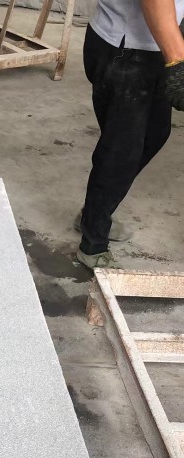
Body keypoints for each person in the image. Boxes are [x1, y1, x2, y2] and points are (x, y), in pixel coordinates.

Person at [76, 0, 184, 269]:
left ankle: (94, 212)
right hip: (125, 49)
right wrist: (178, 62)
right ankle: (93, 244)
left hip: (156, 47)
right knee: (122, 151)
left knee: (155, 134)